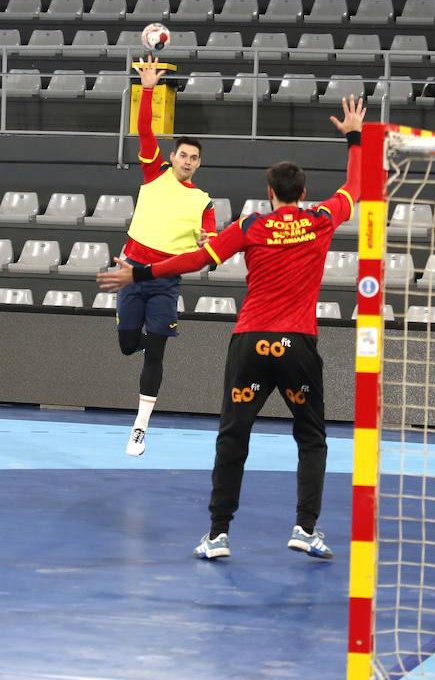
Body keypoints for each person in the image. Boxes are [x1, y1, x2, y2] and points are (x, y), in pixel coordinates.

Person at [98, 95, 366, 562]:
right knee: (312, 438)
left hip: (251, 343)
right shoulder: (323, 220)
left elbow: (194, 259)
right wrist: (354, 137)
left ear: (271, 193)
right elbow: (356, 186)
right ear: (303, 194)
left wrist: (137, 273)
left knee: (232, 437)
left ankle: (218, 535)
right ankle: (305, 529)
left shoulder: (250, 226)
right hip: (299, 344)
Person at [117, 56, 216, 457]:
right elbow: (143, 128)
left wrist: (207, 251)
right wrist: (147, 88)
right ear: (173, 157)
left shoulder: (204, 201)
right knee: (127, 346)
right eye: (183, 155)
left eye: (194, 158)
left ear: (198, 163)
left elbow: (209, 247)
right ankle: (147, 337)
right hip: (130, 271)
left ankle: (139, 429)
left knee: (155, 350)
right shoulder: (153, 173)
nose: (188, 161)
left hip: (164, 282)